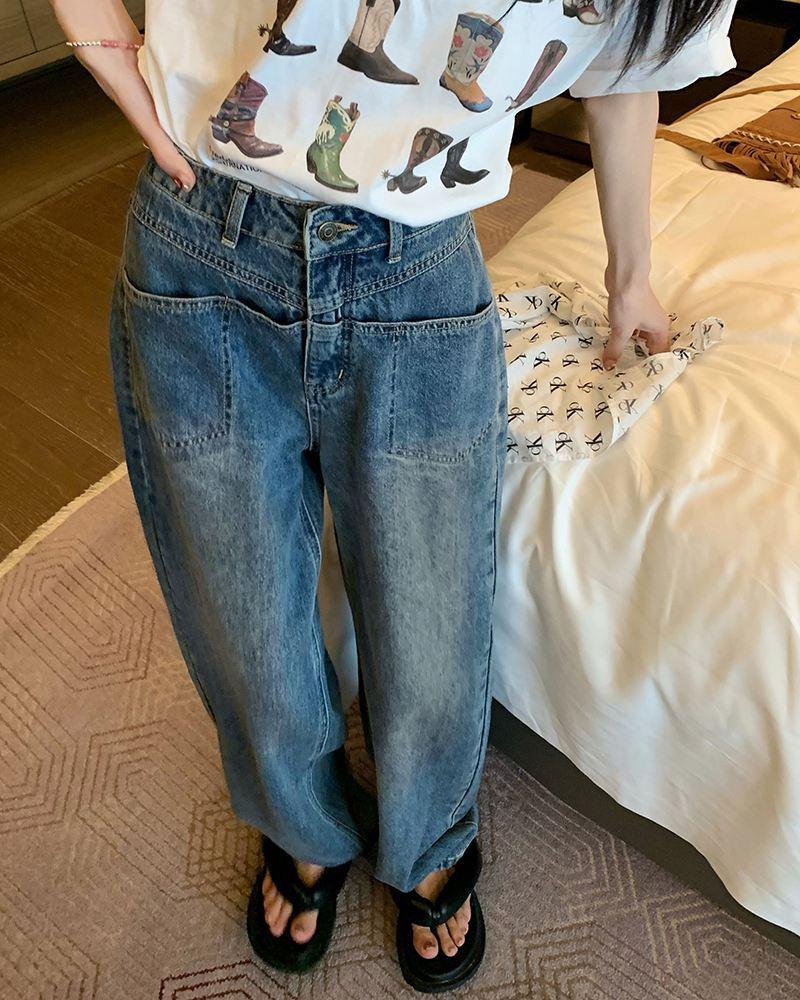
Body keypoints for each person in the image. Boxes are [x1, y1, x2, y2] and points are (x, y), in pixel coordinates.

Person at [51, 0, 739, 991]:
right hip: (201, 232)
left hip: (414, 263)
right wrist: (96, 37)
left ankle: (429, 837)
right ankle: (300, 824)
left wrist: (630, 274)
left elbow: (624, 62)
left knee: (430, 617)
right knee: (241, 612)